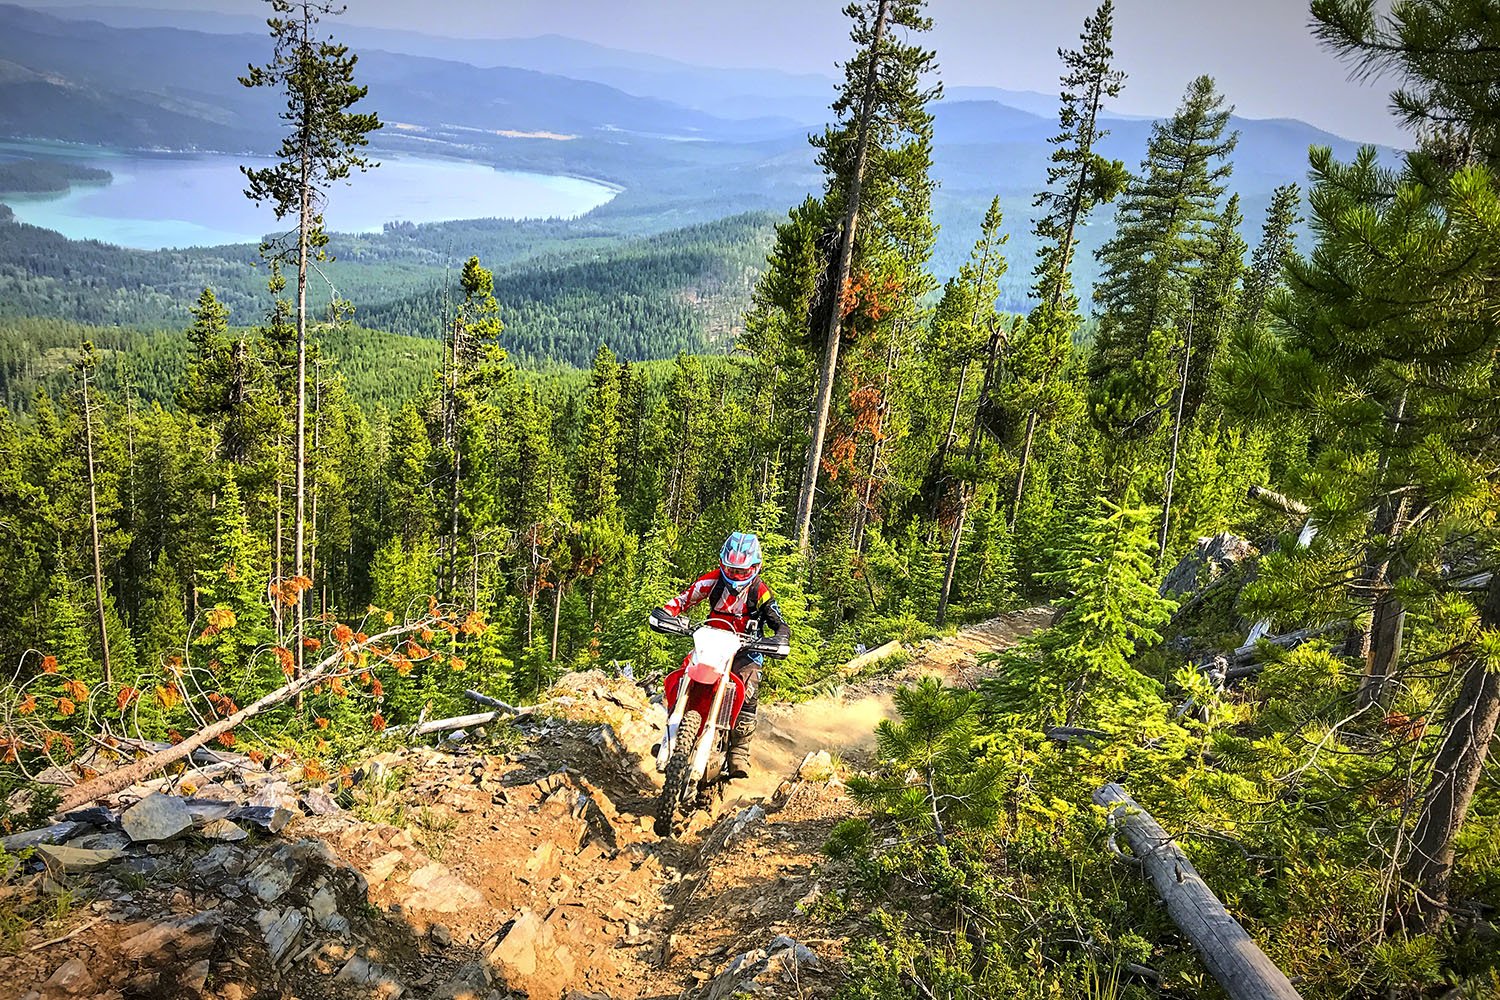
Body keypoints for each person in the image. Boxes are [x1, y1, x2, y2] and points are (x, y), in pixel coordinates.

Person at [650, 531, 790, 779]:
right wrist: (666, 613)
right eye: (731, 569)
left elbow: (778, 621)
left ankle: (739, 751)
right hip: (712, 642)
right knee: (686, 673)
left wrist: (779, 637)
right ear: (722, 564)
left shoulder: (760, 591)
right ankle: (672, 732)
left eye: (742, 571)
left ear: (755, 568)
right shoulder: (712, 581)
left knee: (748, 688)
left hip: (745, 650)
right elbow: (683, 599)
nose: (736, 576)